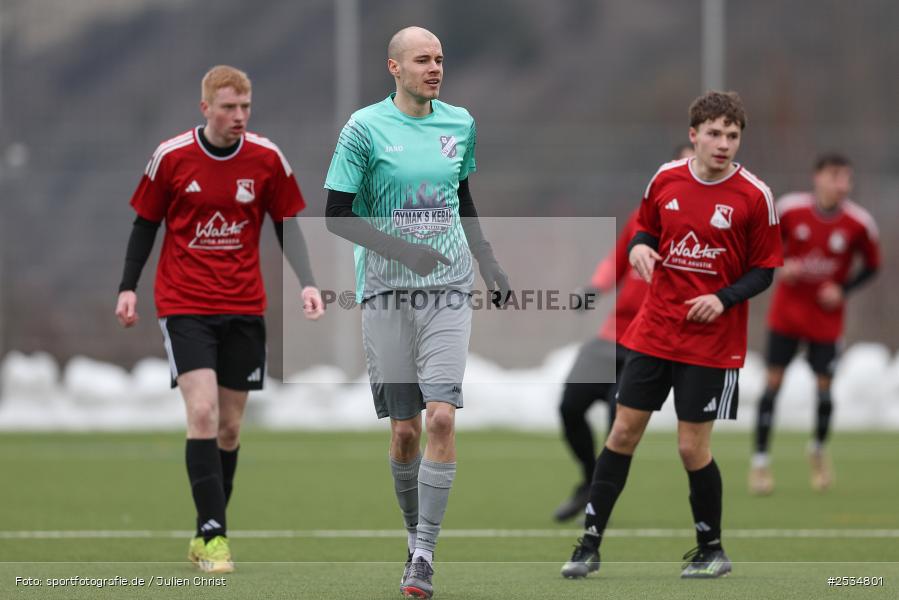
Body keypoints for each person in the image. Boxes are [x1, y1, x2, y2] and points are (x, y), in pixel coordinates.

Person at [560, 91, 783, 580]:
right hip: (655, 332)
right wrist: (640, 248)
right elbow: (645, 228)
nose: (723, 143)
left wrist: (723, 298)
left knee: (690, 448)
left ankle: (711, 550)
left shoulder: (754, 196)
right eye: (714, 133)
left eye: (732, 135)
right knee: (622, 433)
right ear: (694, 135)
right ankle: (588, 545)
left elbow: (766, 269)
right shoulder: (665, 178)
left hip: (712, 344)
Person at [114, 65, 324, 574]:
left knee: (229, 428)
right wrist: (127, 287)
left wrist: (308, 281)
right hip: (184, 305)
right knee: (203, 413)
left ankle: (205, 529)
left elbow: (287, 224)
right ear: (205, 107)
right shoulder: (171, 157)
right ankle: (214, 537)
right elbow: (145, 224)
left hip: (245, 307)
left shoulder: (267, 158)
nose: (239, 117)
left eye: (245, 107)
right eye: (228, 107)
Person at [324, 26, 509, 600]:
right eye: (423, 60)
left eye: (440, 60)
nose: (435, 68)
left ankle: (425, 553)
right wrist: (405, 251)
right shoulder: (363, 128)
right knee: (404, 432)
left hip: (448, 288)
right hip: (384, 291)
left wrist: (489, 264)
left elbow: (465, 200)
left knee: (442, 417)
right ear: (394, 68)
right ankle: (413, 535)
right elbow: (336, 214)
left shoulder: (461, 123)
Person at [553, 144, 694, 522]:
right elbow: (618, 259)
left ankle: (598, 502)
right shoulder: (644, 215)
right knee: (569, 407)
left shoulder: (701, 230)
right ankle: (587, 480)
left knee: (620, 425)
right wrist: (594, 288)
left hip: (647, 343)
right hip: (611, 336)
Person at [749, 153, 880, 495]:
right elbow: (765, 242)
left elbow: (872, 265)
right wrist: (782, 264)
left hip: (825, 321)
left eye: (846, 178)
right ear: (817, 177)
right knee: (772, 385)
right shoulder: (791, 209)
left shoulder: (858, 223)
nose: (841, 185)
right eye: (835, 176)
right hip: (787, 315)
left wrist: (842, 289)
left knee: (824, 388)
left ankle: (818, 451)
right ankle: (760, 463)